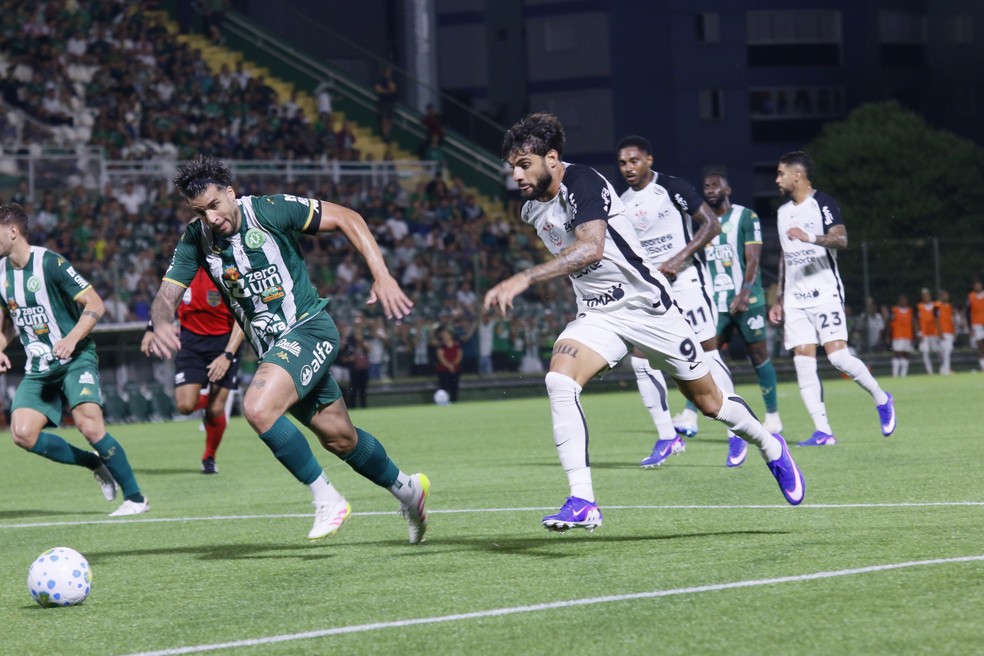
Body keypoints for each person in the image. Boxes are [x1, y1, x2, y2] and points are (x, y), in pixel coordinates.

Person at [484, 113, 805, 533]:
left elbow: (591, 249)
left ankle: (769, 444)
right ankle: (583, 501)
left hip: (648, 308)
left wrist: (526, 277)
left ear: (553, 158)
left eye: (524, 164)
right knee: (560, 380)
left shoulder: (584, 182)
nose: (516, 175)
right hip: (599, 314)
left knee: (710, 404)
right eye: (512, 167)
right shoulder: (531, 209)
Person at [146, 155, 429, 543]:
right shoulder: (196, 239)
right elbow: (166, 296)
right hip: (274, 351)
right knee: (340, 438)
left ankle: (327, 499)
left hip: (309, 328)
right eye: (199, 211)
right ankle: (409, 490)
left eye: (214, 205)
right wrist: (161, 322)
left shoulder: (270, 210)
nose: (210, 218)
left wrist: (382, 276)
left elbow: (348, 218)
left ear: (230, 193)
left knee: (257, 408)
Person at [0, 203, 148, 516]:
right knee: (22, 434)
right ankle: (93, 463)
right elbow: (10, 321)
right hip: (39, 368)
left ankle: (136, 499)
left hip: (75, 358)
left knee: (89, 426)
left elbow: (95, 304)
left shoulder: (50, 263)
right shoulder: (1, 273)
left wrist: (71, 339)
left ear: (13, 231)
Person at [615, 137, 747, 468]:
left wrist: (678, 258)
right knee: (641, 360)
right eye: (623, 163)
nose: (628, 167)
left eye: (634, 160)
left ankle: (736, 431)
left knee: (708, 354)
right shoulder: (621, 203)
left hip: (688, 284)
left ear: (649, 160)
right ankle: (667, 436)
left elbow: (712, 225)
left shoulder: (672, 187)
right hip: (653, 293)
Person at [768, 151, 895, 446]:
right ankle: (823, 431)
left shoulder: (823, 203)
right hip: (795, 299)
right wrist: (779, 298)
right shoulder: (783, 212)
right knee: (802, 362)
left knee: (838, 357)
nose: (777, 179)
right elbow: (786, 257)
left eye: (781, 173)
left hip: (824, 293)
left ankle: (881, 398)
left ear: (797, 175)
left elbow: (841, 239)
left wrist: (810, 237)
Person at [697, 172, 785, 460]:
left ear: (728, 189)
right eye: (706, 186)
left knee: (758, 356)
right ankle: (699, 415)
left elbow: (753, 259)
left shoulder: (746, 216)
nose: (710, 190)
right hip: (716, 303)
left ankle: (772, 416)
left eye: (715, 185)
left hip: (749, 301)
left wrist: (745, 292)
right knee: (705, 356)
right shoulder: (703, 221)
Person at [140, 267, 245, 474]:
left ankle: (209, 457)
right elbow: (166, 299)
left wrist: (228, 355)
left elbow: (244, 317)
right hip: (191, 342)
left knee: (216, 409)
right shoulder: (183, 267)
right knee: (185, 406)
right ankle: (208, 398)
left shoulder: (230, 271)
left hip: (225, 342)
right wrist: (152, 328)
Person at [916, 287, 940, 375]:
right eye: (924, 296)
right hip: (924, 333)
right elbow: (917, 320)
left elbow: (938, 318)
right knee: (925, 352)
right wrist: (919, 332)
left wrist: (939, 331)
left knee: (938, 350)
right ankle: (929, 371)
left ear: (930, 296)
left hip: (934, 332)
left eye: (927, 295)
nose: (926, 297)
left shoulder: (935, 305)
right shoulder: (919, 306)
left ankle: (943, 367)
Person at [434, 327, 462, 402]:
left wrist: (453, 365)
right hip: (443, 370)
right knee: (444, 387)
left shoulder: (457, 344)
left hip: (455, 370)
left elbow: (459, 356)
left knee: (454, 387)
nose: (445, 336)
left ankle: (454, 401)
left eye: (447, 334)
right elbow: (441, 357)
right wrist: (449, 365)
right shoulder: (441, 345)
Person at [889, 295, 914, 378]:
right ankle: (895, 374)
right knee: (897, 354)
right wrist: (888, 335)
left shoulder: (910, 310)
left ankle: (903, 375)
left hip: (907, 336)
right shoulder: (895, 310)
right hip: (898, 336)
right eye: (902, 300)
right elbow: (889, 323)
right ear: (899, 301)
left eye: (905, 300)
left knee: (905, 355)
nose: (904, 302)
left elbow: (913, 322)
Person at [374, 66, 398, 144]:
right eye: (388, 71)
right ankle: (384, 136)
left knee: (390, 120)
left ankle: (388, 135)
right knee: (384, 120)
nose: (389, 73)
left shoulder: (392, 81)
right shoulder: (381, 80)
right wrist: (388, 90)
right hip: (383, 103)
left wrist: (391, 90)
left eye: (390, 71)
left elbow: (394, 90)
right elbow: (378, 90)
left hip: (391, 103)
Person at [936, 290, 955, 375]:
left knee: (948, 351)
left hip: (950, 331)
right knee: (945, 351)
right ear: (941, 296)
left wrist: (954, 331)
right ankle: (946, 369)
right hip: (942, 331)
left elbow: (952, 319)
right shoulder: (937, 306)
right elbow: (935, 319)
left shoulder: (950, 306)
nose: (946, 297)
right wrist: (940, 332)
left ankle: (943, 369)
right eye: (944, 295)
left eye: (947, 295)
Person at [968, 279, 984, 371]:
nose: (977, 286)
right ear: (973, 287)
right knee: (979, 344)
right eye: (976, 285)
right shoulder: (970, 296)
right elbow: (967, 312)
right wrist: (970, 327)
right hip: (976, 324)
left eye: (979, 284)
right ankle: (982, 364)